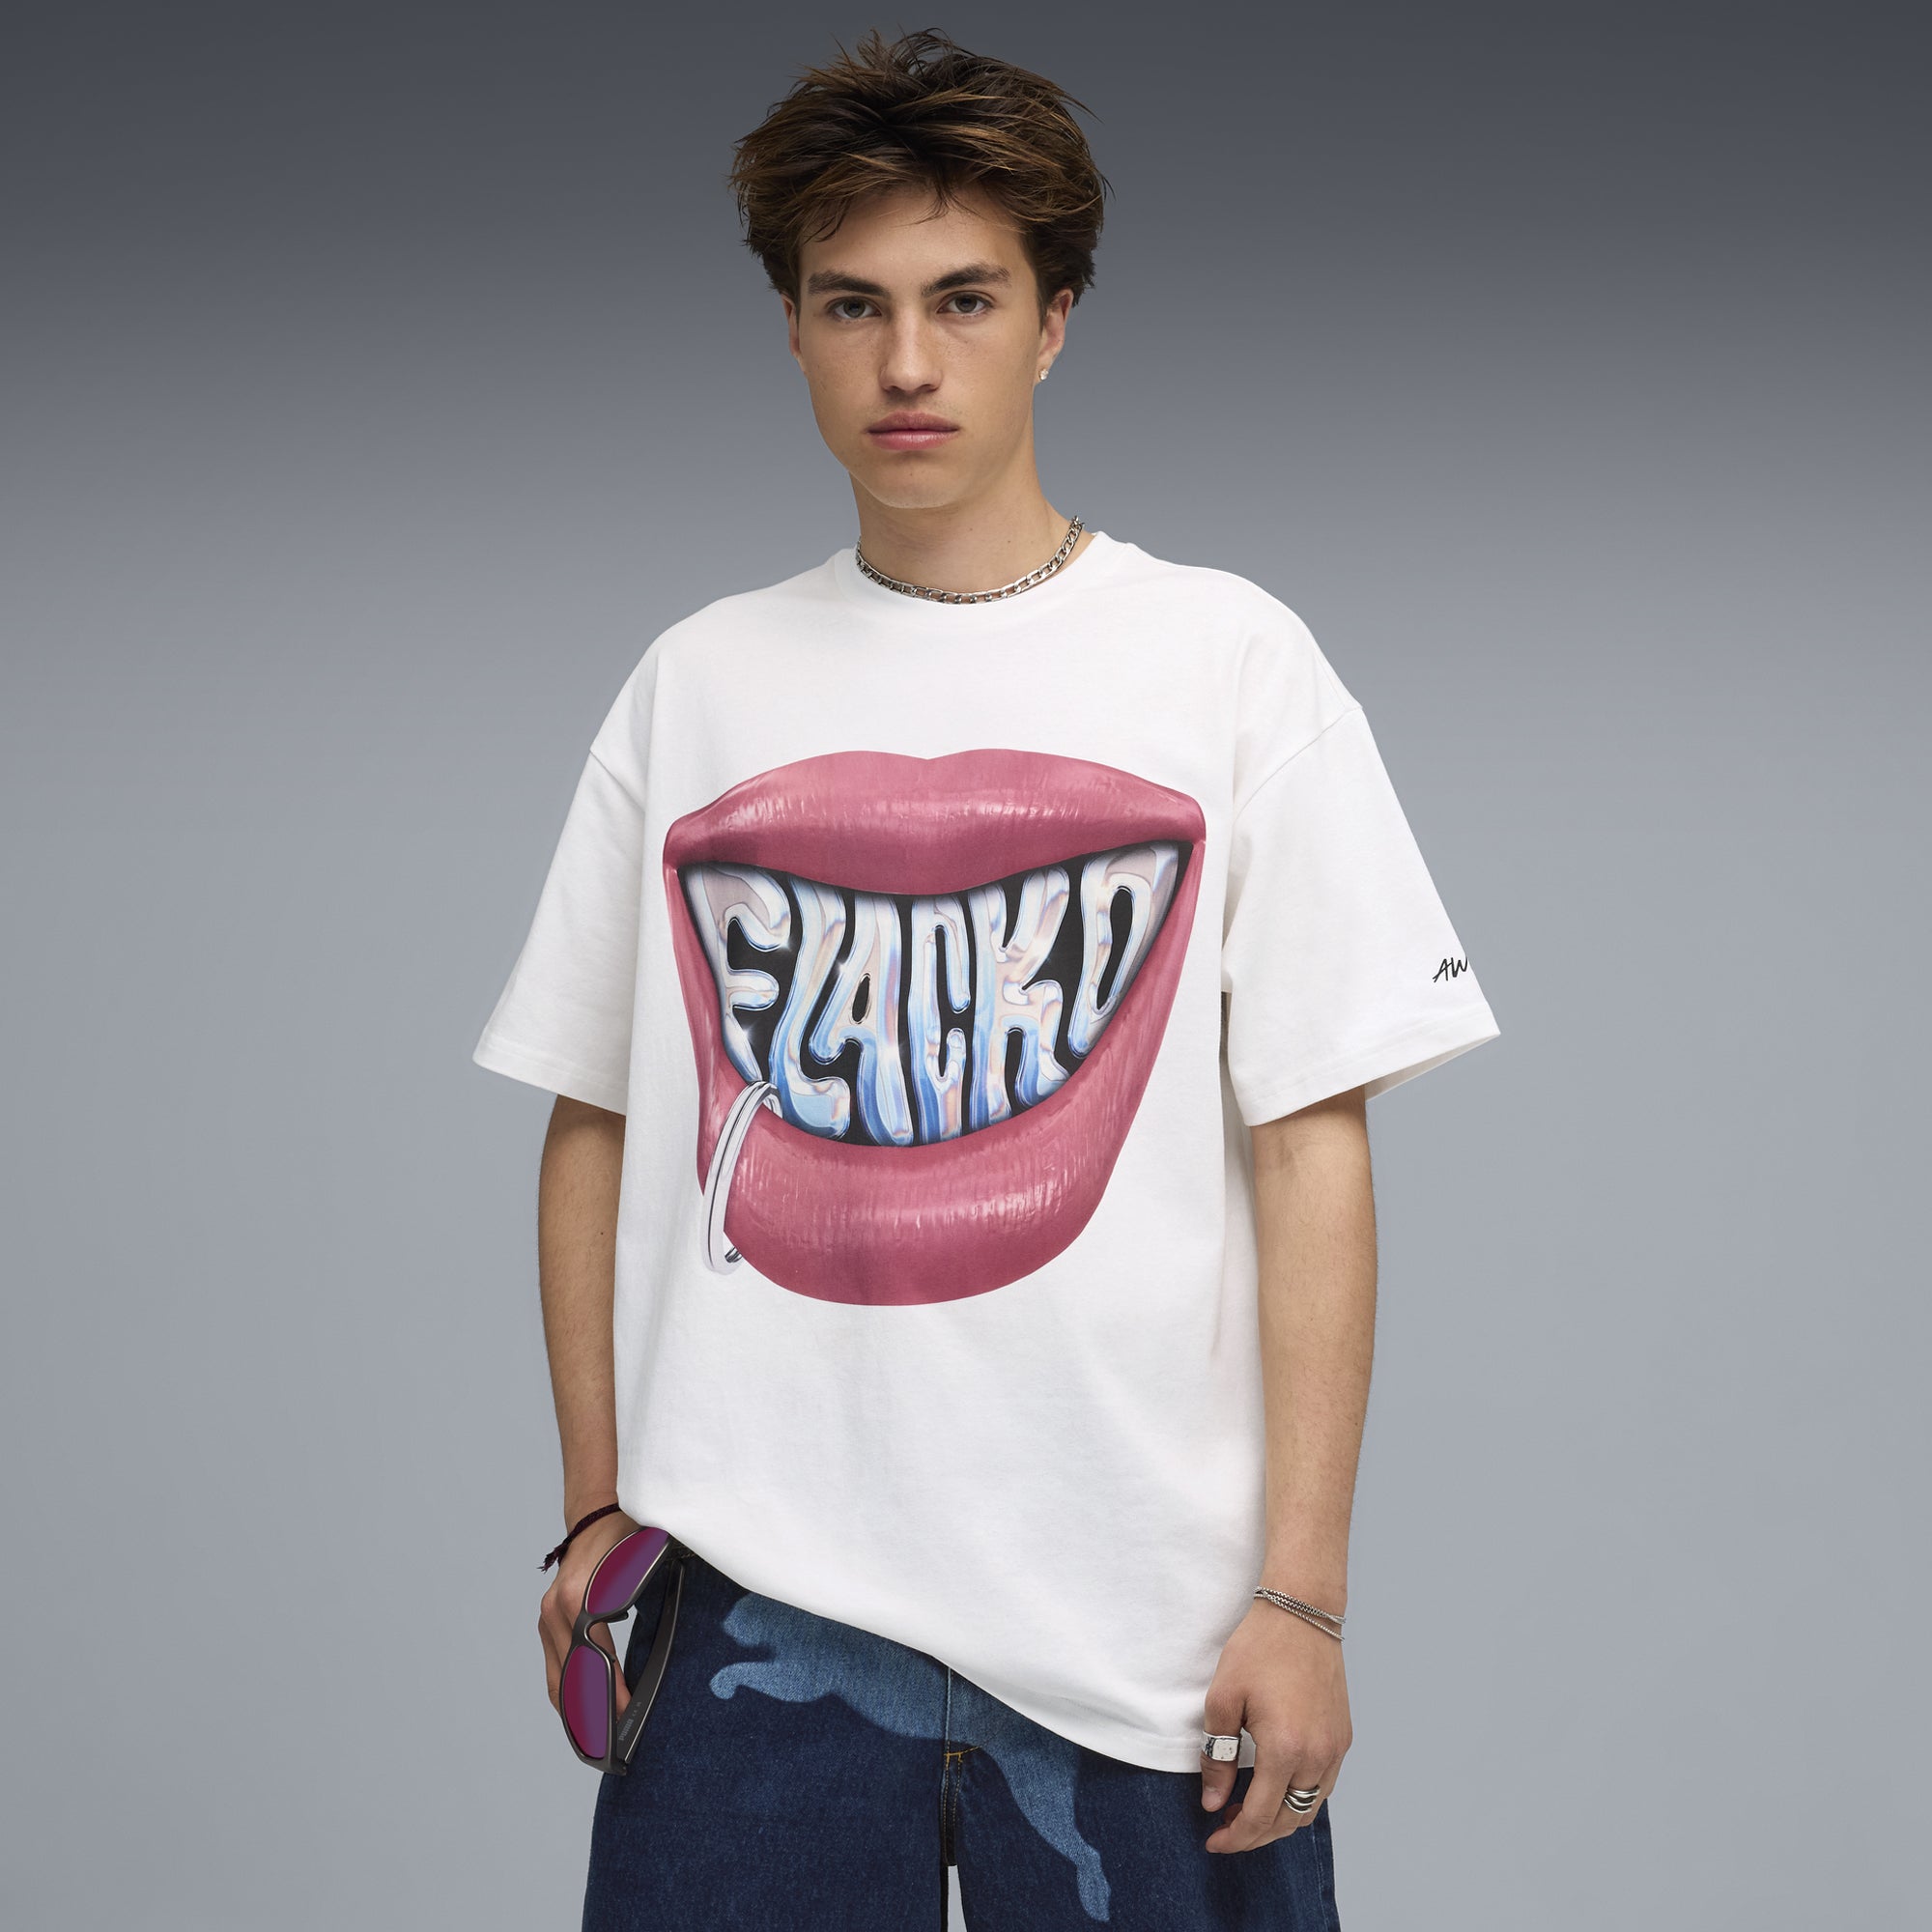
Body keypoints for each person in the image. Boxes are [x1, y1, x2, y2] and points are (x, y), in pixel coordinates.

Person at [472, 28, 1499, 1931]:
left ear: (1055, 322)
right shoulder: (696, 682)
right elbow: (592, 1113)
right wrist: (594, 1507)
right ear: (792, 332)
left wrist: (1303, 1593)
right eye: (851, 304)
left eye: (963, 299)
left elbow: (1312, 1143)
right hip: (747, 1614)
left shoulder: (1230, 662)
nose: (907, 363)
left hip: (1150, 1633)